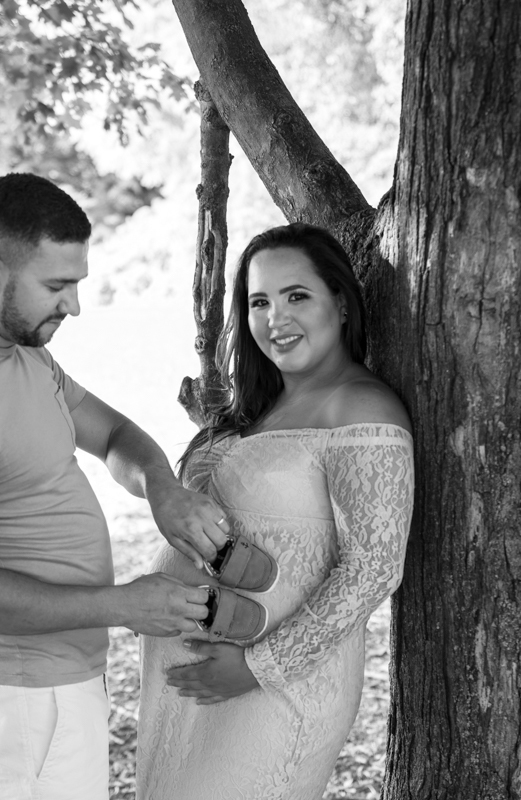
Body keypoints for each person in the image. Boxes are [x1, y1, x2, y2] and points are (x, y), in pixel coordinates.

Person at [0, 173, 230, 800]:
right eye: (56, 286)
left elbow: (114, 433)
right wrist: (126, 606)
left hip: (57, 683)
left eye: (76, 283)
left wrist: (162, 489)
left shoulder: (23, 352)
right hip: (12, 698)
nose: (73, 306)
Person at [136, 222, 415, 799]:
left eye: (296, 296)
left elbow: (374, 568)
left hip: (276, 686)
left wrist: (256, 668)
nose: (275, 318)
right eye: (259, 301)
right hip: (197, 681)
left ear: (339, 302)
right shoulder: (265, 406)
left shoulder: (360, 406)